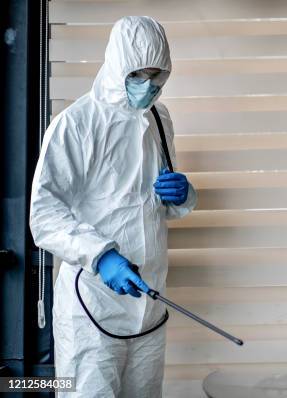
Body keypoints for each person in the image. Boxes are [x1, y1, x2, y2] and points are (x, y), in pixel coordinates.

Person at [29, 16, 197, 397]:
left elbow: (153, 209)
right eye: (139, 74)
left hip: (148, 305)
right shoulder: (76, 124)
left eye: (158, 76)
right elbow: (45, 215)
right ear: (118, 65)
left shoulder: (159, 118)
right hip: (93, 305)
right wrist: (102, 256)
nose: (150, 85)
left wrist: (182, 195)